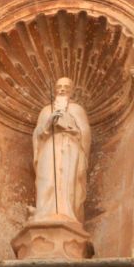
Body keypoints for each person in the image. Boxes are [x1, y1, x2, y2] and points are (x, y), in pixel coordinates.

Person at [31, 77, 91, 223]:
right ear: (55, 89)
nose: (62, 89)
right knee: (46, 179)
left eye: (66, 87)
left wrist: (68, 123)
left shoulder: (77, 109)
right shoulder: (46, 110)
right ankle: (44, 212)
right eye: (59, 86)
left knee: (67, 181)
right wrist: (48, 123)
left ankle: (67, 213)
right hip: (49, 147)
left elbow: (85, 132)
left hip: (70, 148)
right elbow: (37, 133)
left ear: (72, 91)